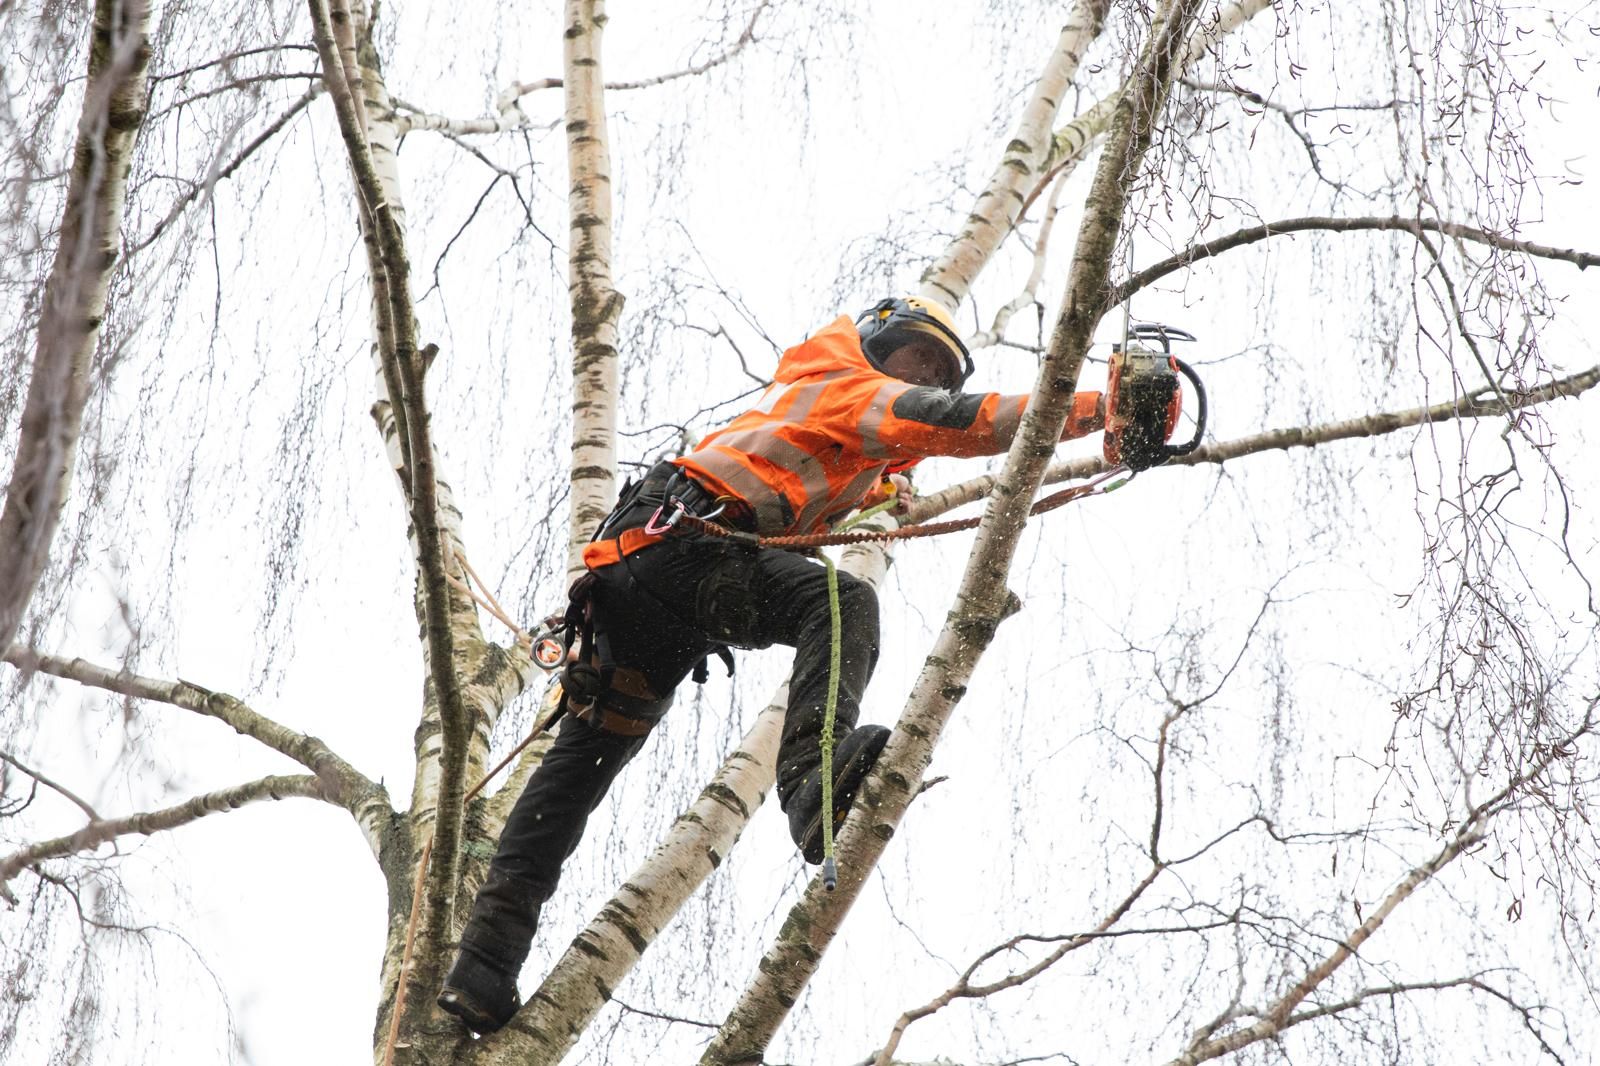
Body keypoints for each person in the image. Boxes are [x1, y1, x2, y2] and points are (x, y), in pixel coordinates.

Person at [437, 297, 1106, 1033]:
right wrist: (1105, 406)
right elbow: (963, 420)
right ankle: (811, 786)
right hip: (683, 549)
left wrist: (888, 491)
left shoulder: (844, 435)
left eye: (940, 371)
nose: (929, 379)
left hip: (649, 599)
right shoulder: (845, 379)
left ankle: (481, 968)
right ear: (879, 346)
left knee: (568, 786)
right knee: (843, 605)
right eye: (918, 361)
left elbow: (839, 465)